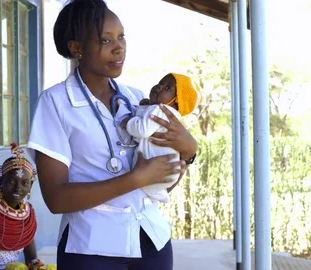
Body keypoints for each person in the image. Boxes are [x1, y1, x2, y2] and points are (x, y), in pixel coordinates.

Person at [26, 0, 198, 269]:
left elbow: (160, 182)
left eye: (121, 36)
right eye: (105, 40)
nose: (119, 47)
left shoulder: (137, 99)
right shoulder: (56, 103)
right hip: (91, 249)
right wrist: (134, 179)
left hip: (151, 242)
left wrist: (188, 154)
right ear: (77, 48)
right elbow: (56, 199)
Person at [121, 73, 202, 204]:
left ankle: (158, 194)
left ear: (176, 102)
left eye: (167, 88)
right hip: (168, 171)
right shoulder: (168, 115)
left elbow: (142, 130)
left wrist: (129, 122)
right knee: (151, 191)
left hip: (154, 170)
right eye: (160, 83)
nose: (159, 87)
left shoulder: (161, 110)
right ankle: (159, 195)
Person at [0, 143, 55, 270]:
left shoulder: (27, 216)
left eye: (25, 183)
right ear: (1, 181)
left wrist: (37, 266)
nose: (18, 188)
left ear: (30, 186)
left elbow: (31, 258)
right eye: (11, 181)